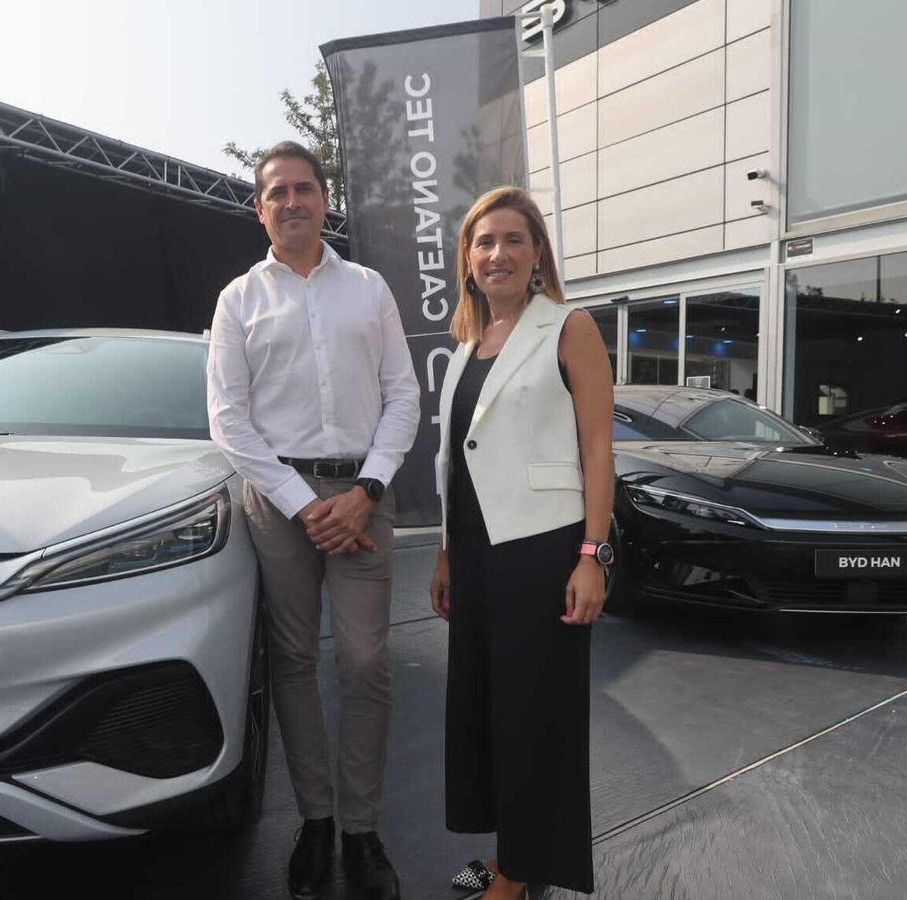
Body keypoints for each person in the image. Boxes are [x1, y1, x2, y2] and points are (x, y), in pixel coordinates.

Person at [207, 141, 419, 900]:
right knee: (292, 664)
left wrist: (364, 489)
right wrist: (305, 506)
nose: (292, 202)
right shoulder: (239, 300)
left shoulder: (369, 287)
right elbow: (229, 422)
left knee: (365, 664)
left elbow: (404, 395)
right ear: (259, 208)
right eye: (277, 192)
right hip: (277, 501)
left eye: (304, 188)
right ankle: (317, 821)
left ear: (325, 199)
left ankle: (363, 832)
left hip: (365, 495)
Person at [428, 187, 613, 899]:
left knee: (536, 716)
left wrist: (592, 556)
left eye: (512, 239)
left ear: (537, 253)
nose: (496, 253)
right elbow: (458, 456)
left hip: (542, 550)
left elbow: (598, 450)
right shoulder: (470, 342)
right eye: (483, 242)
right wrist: (446, 552)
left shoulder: (568, 326)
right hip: (475, 554)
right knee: (489, 711)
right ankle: (512, 854)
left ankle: (518, 873)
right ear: (467, 260)